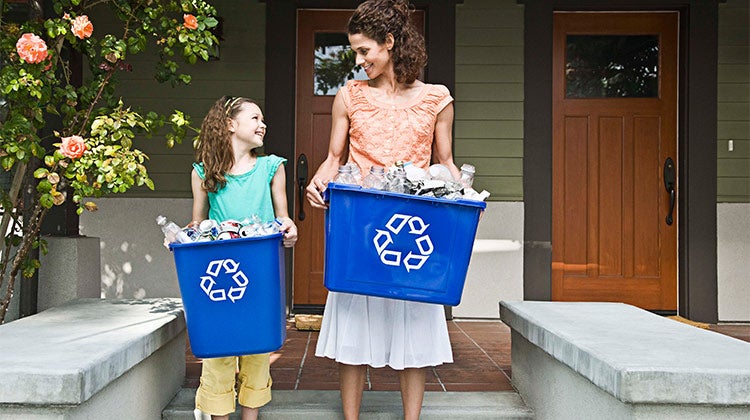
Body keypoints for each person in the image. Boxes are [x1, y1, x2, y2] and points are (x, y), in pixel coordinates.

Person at [305, 1, 460, 419]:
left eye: (363, 50)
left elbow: (444, 162)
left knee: (413, 323)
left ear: (390, 43)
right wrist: (317, 183)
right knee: (354, 323)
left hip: (413, 230)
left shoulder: (436, 99)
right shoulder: (350, 96)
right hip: (361, 224)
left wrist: (465, 195)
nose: (358, 61)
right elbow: (334, 157)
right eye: (355, 52)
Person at [191, 96, 298, 420]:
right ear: (230, 125)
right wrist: (184, 239)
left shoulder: (271, 167)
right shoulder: (204, 173)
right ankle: (219, 414)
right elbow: (197, 223)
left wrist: (289, 229)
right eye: (254, 118)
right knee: (219, 350)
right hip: (220, 275)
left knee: (256, 348)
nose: (262, 124)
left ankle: (250, 416)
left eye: (262, 118)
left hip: (260, 272)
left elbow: (283, 217)